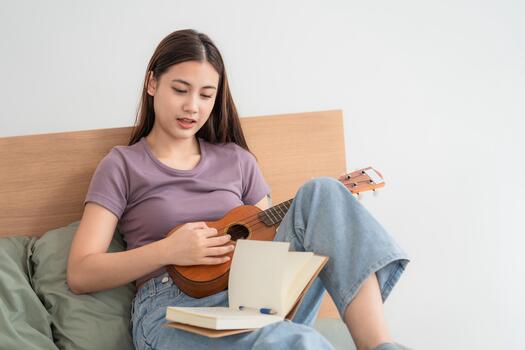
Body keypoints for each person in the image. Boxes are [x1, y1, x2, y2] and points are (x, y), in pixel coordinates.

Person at [67, 29, 410, 350]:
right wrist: (168, 250)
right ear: (152, 84)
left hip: (255, 297)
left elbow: (268, 236)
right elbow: (81, 272)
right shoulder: (122, 165)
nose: (193, 107)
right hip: (173, 308)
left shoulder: (237, 160)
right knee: (298, 343)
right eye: (180, 90)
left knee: (321, 190)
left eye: (206, 95)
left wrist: (330, 206)